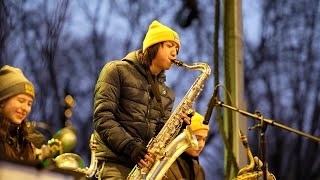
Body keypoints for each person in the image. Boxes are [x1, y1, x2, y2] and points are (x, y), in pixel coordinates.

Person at [93, 20, 190, 179]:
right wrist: (130, 147)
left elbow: (159, 135)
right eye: (169, 45)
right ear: (153, 45)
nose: (175, 53)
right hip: (115, 164)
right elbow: (102, 118)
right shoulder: (116, 70)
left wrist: (178, 128)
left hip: (145, 169)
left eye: (177, 48)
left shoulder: (167, 94)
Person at [0, 65, 47, 161]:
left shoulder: (26, 139)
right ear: (3, 101)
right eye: (21, 101)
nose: (25, 108)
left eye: (29, 104)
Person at [164, 111, 209, 180]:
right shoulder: (162, 165)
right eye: (197, 138)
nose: (201, 145)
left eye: (204, 139)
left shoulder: (200, 170)